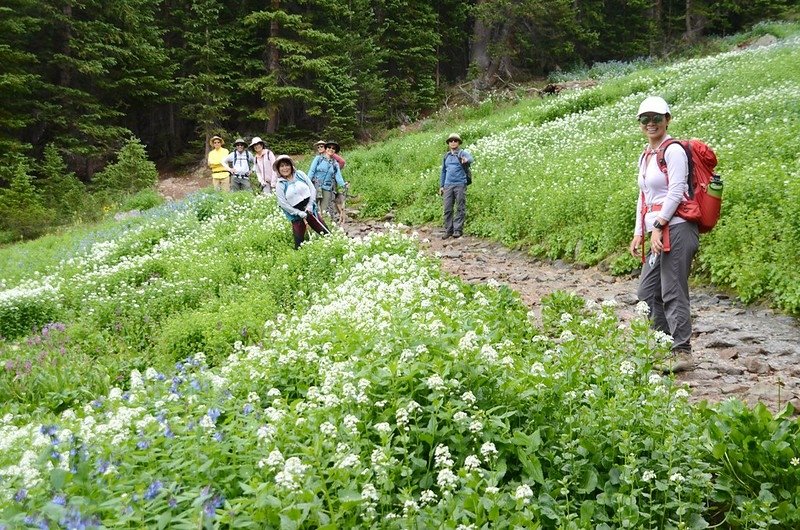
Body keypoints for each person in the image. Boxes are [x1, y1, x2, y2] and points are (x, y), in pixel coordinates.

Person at [628, 96, 699, 373]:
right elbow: (643, 197)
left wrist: (658, 225)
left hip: (678, 227)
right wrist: (639, 232)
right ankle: (664, 343)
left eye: (656, 118)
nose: (650, 123)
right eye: (645, 119)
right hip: (656, 230)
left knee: (673, 290)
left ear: (667, 119)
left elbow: (677, 189)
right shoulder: (645, 155)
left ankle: (682, 351)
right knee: (646, 292)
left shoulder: (674, 151)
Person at [274, 155, 331, 249]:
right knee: (299, 242)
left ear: (291, 165)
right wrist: (298, 213)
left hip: (311, 210)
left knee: (325, 233)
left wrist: (310, 205)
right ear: (278, 169)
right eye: (282, 166)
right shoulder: (280, 184)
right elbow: (282, 203)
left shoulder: (300, 174)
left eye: (287, 165)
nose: (285, 168)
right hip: (296, 215)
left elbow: (312, 188)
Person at [439, 133, 473, 239]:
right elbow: (443, 171)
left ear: (459, 142)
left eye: (455, 140)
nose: (453, 142)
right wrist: (441, 186)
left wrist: (466, 160)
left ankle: (458, 230)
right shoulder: (446, 156)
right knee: (447, 208)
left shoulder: (463, 153)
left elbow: (471, 159)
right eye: (451, 141)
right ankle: (448, 230)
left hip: (460, 184)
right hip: (448, 185)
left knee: (460, 207)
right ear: (448, 143)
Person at [308, 141, 345, 218]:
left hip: (327, 188)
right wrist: (307, 182)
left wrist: (343, 185)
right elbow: (312, 171)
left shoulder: (335, 164)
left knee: (324, 209)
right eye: (329, 147)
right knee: (312, 206)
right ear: (326, 148)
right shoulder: (318, 159)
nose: (331, 149)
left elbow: (338, 176)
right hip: (316, 185)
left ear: (335, 151)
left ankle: (323, 226)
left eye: (333, 148)